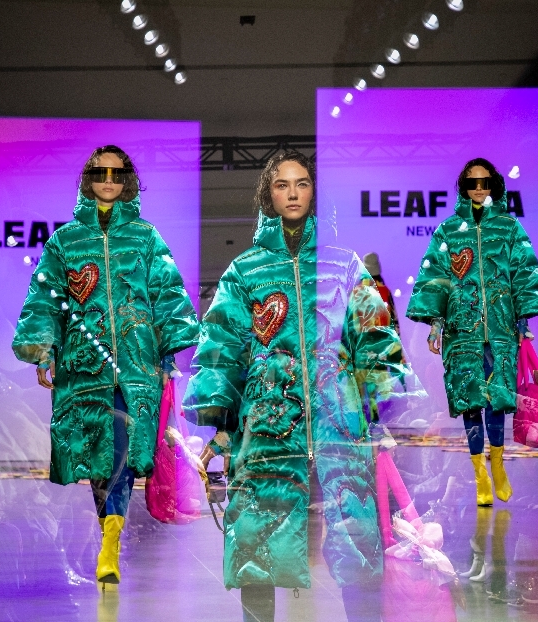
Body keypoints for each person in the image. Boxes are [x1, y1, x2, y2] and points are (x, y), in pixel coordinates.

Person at [184, 151, 407, 622]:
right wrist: (223, 424)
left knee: (356, 537)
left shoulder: (343, 265)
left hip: (337, 421)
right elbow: (223, 347)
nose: (292, 193)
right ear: (268, 194)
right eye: (282, 184)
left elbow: (373, 333)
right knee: (257, 539)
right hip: (268, 425)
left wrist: (377, 406)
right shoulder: (245, 271)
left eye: (301, 183)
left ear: (313, 191)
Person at [11, 145, 199, 587]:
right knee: (98, 454)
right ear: (88, 178)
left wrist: (168, 350)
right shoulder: (65, 242)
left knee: (122, 449)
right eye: (100, 172)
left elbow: (167, 292)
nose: (109, 180)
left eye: (117, 173)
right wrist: (44, 348)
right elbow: (46, 297)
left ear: (128, 179)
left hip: (136, 362)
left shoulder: (146, 238)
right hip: (84, 364)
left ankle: (110, 542)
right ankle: (107, 528)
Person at [406, 158, 538, 506]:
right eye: (472, 182)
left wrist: (523, 320)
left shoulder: (509, 228)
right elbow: (436, 279)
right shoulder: (448, 231)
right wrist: (436, 324)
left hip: (501, 329)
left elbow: (523, 273)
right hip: (462, 332)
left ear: (493, 185)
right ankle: (479, 476)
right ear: (463, 186)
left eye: (484, 182)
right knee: (471, 401)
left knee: (497, 401)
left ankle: (498, 466)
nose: (478, 188)